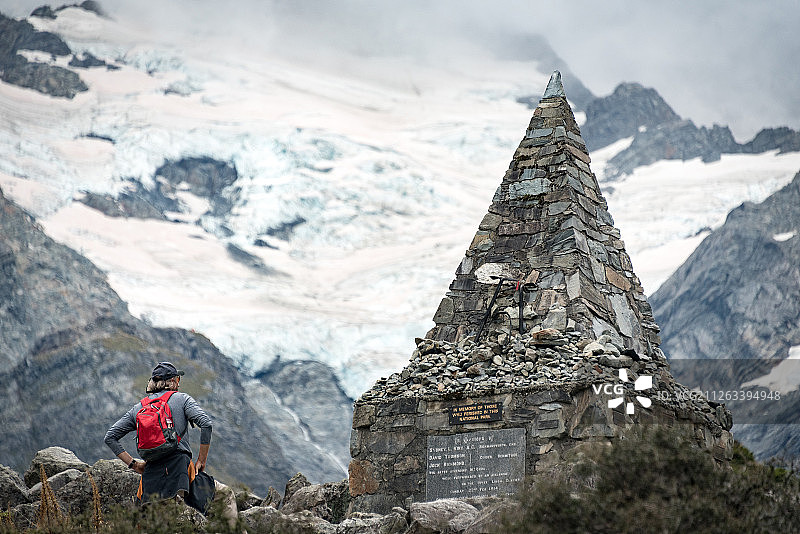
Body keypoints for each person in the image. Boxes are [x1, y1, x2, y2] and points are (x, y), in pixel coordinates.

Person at [104, 361, 212, 503]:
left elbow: (110, 437)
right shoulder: (182, 399)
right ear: (173, 381)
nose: (179, 385)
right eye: (178, 380)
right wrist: (201, 461)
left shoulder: (139, 407)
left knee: (151, 520)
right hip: (180, 470)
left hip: (150, 475)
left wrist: (134, 465)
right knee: (224, 497)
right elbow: (206, 424)